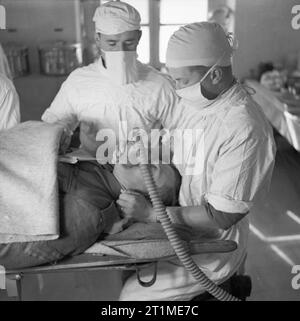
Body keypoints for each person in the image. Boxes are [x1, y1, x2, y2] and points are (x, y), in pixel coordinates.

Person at [0, 1, 178, 269]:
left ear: (139, 37)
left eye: (129, 43)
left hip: (110, 191)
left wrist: (151, 208)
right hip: (82, 165)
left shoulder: (160, 86)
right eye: (112, 43)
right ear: (97, 39)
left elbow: (181, 140)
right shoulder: (79, 81)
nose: (121, 51)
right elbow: (53, 123)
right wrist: (57, 136)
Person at [118, 22, 276, 301]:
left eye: (181, 81)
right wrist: (146, 146)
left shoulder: (244, 128)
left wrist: (151, 215)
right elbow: (176, 142)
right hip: (179, 224)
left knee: (132, 298)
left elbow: (221, 215)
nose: (176, 88)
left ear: (214, 74)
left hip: (211, 248)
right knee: (128, 269)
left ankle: (227, 288)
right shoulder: (196, 102)